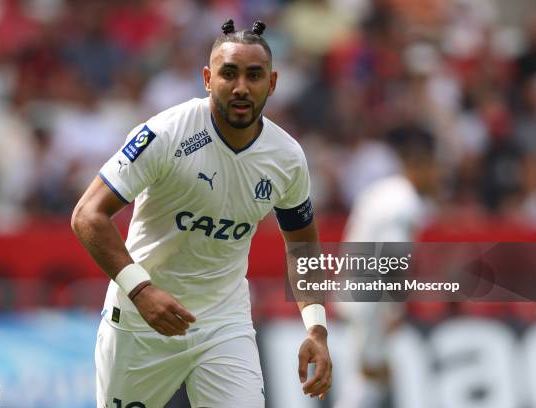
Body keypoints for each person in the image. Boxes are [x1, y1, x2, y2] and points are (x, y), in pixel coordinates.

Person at [71, 19, 332, 408]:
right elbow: (87, 215)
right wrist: (141, 290)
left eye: (254, 75)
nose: (241, 87)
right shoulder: (165, 134)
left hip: (224, 324)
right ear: (208, 78)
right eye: (229, 73)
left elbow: (302, 245)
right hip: (141, 322)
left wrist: (316, 328)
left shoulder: (287, 157)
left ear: (272, 83)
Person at [334, 126, 439, 408]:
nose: (437, 177)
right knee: (368, 374)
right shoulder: (404, 203)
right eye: (433, 169)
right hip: (370, 300)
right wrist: (393, 308)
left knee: (373, 375)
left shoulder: (384, 192)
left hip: (356, 291)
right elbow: (390, 260)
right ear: (419, 167)